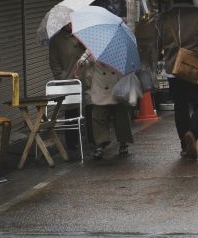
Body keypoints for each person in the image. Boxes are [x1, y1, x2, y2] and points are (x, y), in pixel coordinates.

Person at [144, 0, 198, 160]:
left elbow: (155, 45)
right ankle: (192, 134)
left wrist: (151, 65)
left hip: (172, 70)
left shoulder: (163, 18)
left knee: (180, 107)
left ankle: (184, 146)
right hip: (197, 69)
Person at [75, 51, 134, 159]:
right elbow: (86, 57)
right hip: (100, 86)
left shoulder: (121, 49)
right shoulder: (96, 45)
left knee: (121, 117)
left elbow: (129, 65)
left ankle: (123, 142)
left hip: (117, 86)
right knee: (98, 116)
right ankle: (100, 145)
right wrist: (82, 61)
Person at [48, 22, 87, 150]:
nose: (71, 23)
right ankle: (72, 143)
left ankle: (92, 141)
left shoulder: (82, 33)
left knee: (90, 108)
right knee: (71, 112)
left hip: (86, 77)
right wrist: (62, 77)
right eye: (68, 21)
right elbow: (54, 62)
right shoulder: (56, 40)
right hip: (69, 80)